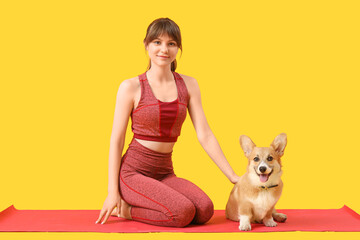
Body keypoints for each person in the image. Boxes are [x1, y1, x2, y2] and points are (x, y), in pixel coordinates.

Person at [95, 17, 240, 227]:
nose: (164, 49)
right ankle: (126, 210)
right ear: (146, 45)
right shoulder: (131, 87)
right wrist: (112, 192)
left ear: (178, 48)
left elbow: (205, 134)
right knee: (182, 213)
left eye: (171, 43)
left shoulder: (189, 84)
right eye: (157, 42)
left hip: (164, 173)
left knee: (205, 209)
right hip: (134, 173)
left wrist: (233, 175)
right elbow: (116, 141)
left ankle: (143, 204)